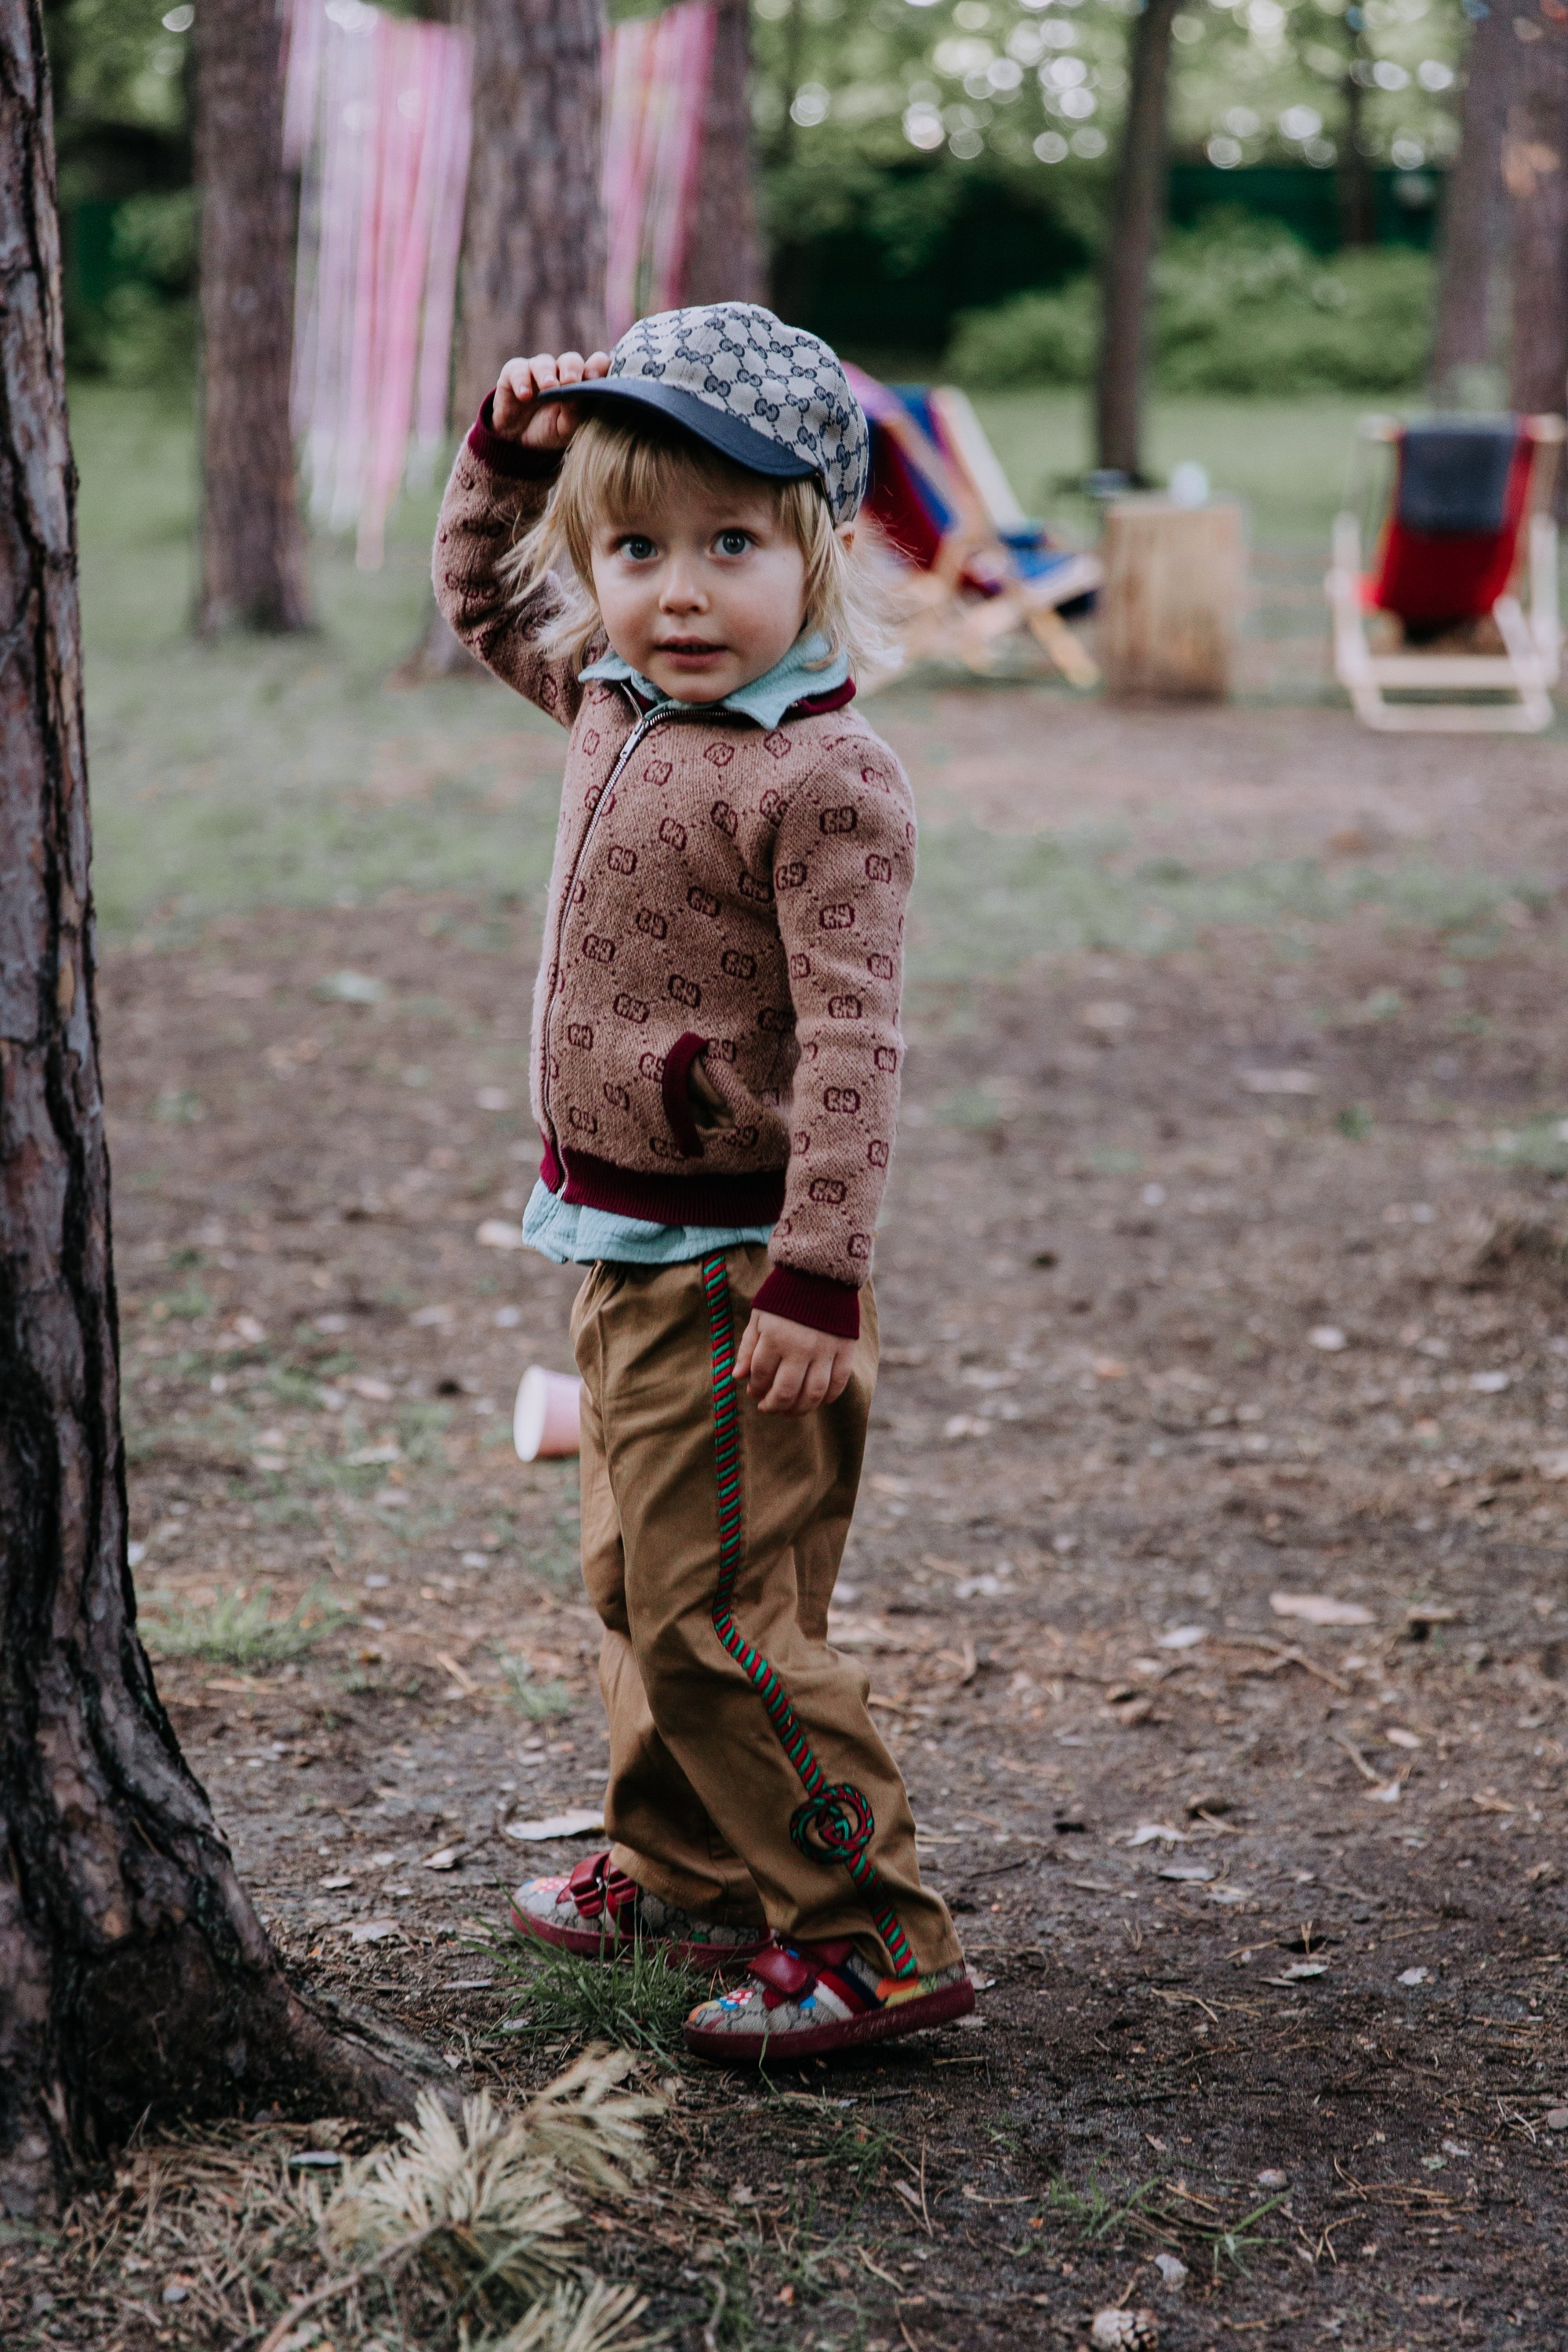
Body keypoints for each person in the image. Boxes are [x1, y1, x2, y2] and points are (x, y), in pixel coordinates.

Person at [433, 303, 971, 2060]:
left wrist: (819, 1275)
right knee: (630, 1581)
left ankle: (870, 1931)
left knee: (718, 1613)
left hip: (744, 1275)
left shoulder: (827, 780)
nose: (677, 592)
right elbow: (480, 602)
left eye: (728, 545)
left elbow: (855, 1049)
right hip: (618, 1241)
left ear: (816, 546)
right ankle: (680, 1851)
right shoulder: (612, 701)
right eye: (636, 547)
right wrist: (502, 464)